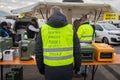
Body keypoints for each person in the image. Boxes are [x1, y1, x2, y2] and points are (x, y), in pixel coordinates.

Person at [34, 6, 81, 80]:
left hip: (50, 68)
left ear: (50, 14)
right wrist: (77, 66)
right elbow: (77, 50)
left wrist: (41, 68)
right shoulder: (70, 28)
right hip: (67, 68)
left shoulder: (43, 29)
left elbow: (38, 51)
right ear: (62, 14)